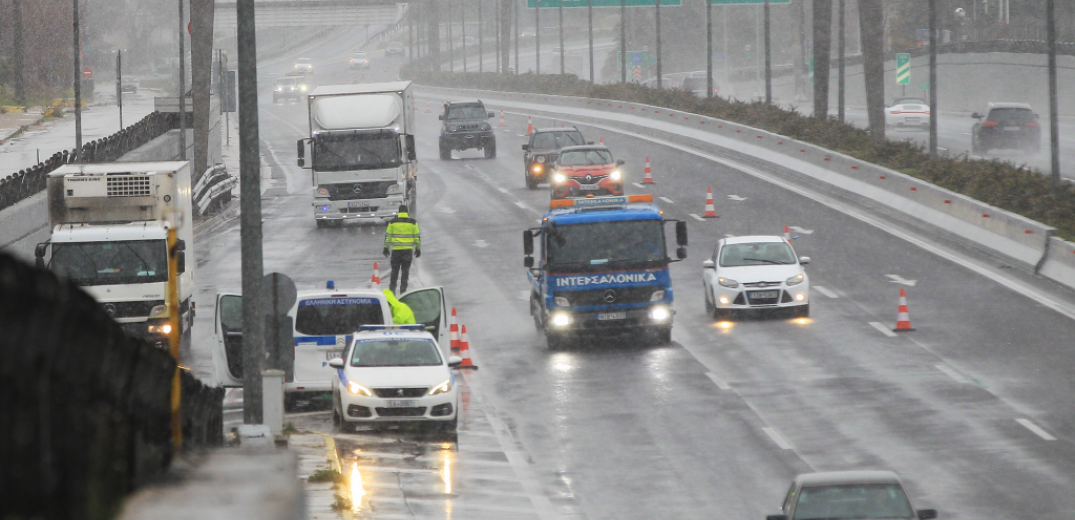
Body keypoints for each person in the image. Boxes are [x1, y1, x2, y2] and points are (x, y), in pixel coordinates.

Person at [383, 205, 420, 293]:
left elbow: (387, 236)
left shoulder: (392, 222)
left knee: (394, 272)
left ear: (399, 212)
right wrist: (418, 249)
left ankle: (392, 291)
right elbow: (417, 237)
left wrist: (386, 248)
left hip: (396, 251)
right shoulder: (413, 223)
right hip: (407, 251)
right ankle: (403, 291)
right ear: (407, 212)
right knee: (405, 272)